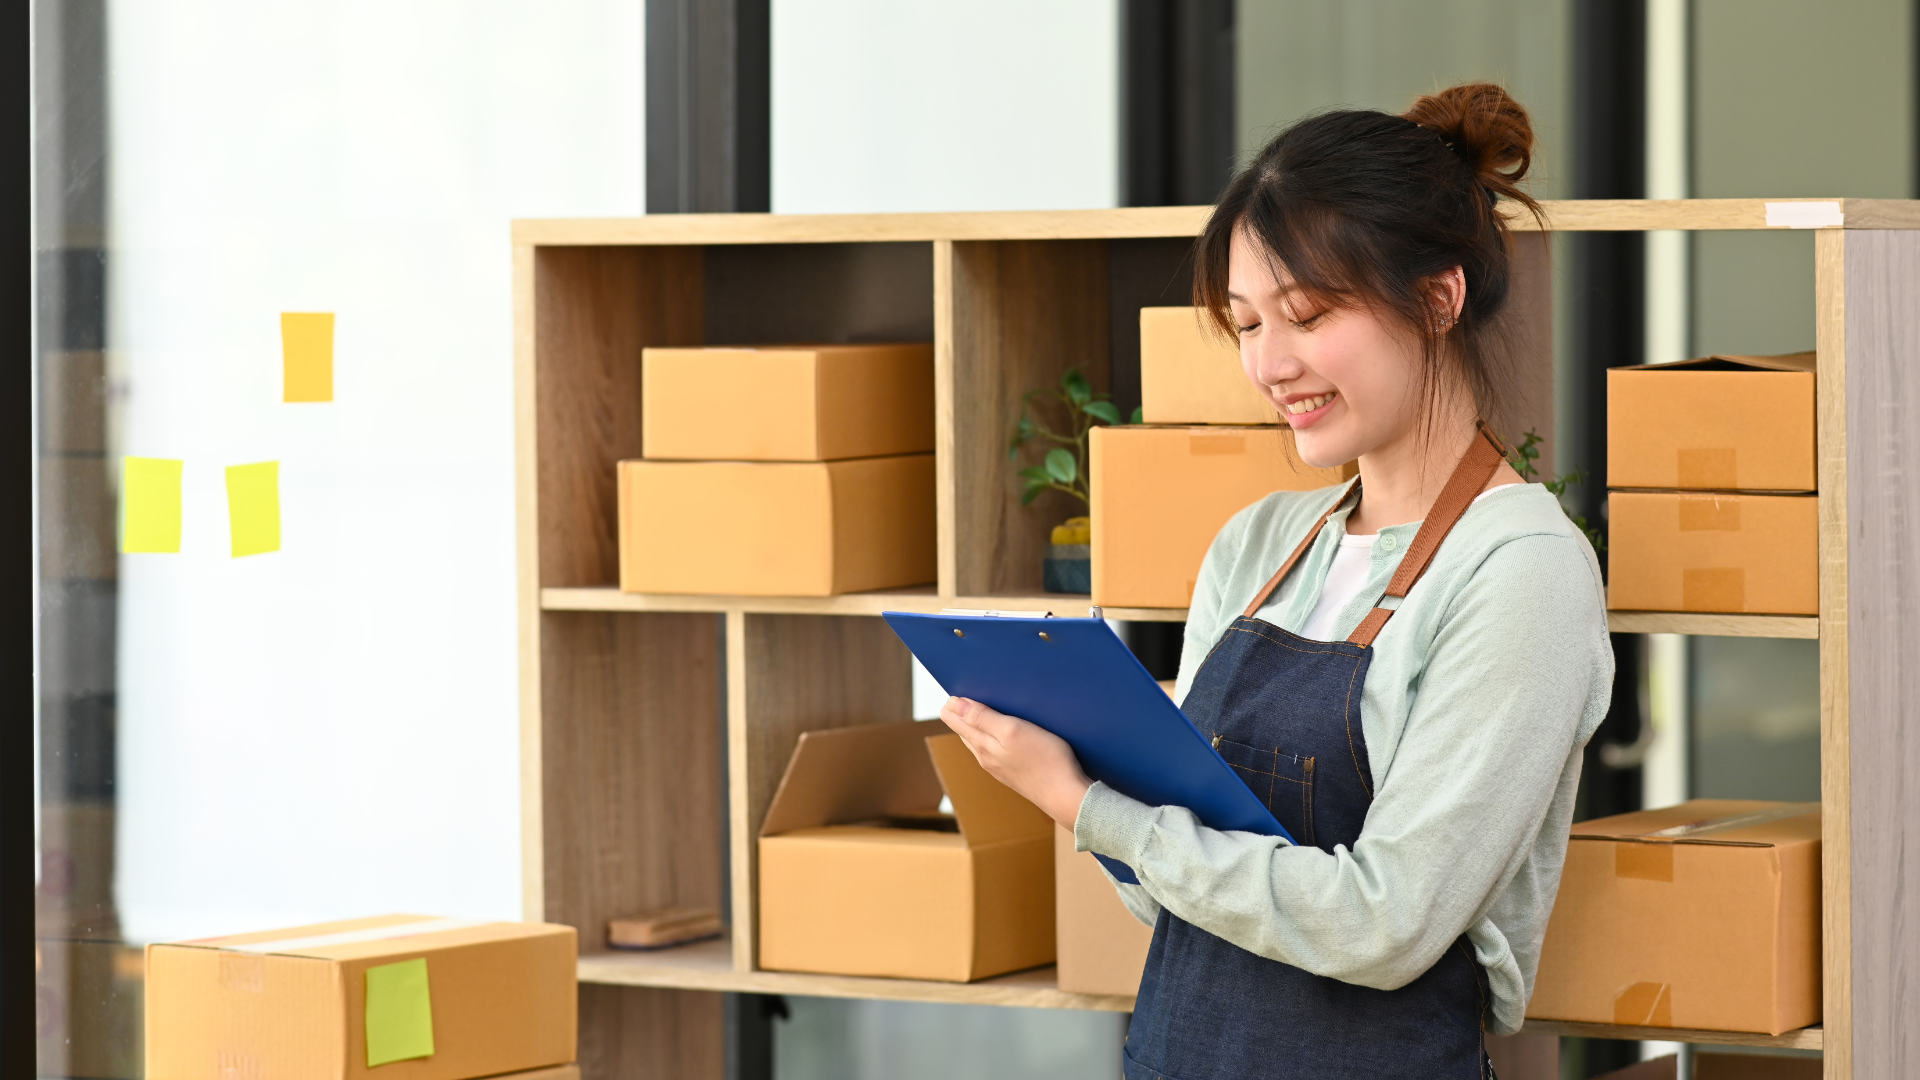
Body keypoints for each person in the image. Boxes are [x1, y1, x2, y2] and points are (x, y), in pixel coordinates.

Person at [940, 82, 1613, 1079]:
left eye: (1306, 314)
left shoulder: (1521, 571)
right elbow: (1164, 893)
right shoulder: (1258, 547)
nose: (1270, 364)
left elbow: (1388, 924)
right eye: (1247, 324)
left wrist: (1089, 808)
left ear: (1438, 297)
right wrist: (1083, 769)